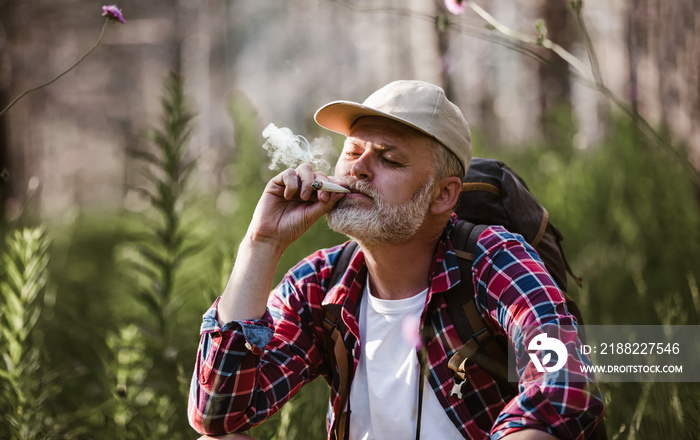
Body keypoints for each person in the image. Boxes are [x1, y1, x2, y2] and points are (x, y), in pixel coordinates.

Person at [188, 80, 605, 439]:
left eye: (390, 159)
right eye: (352, 151)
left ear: (443, 195)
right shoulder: (321, 282)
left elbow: (564, 379)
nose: (361, 169)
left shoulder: (491, 258)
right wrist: (261, 243)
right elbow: (218, 415)